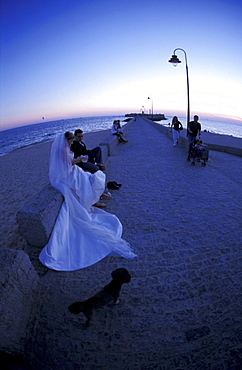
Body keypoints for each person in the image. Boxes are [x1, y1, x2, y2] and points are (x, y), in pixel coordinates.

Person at [39, 132, 137, 271]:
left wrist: (79, 161)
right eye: (71, 140)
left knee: (90, 178)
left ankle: (96, 197)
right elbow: (67, 164)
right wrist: (79, 160)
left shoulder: (65, 148)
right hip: (66, 175)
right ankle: (94, 199)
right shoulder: (62, 149)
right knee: (85, 181)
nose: (72, 143)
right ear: (67, 140)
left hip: (71, 171)